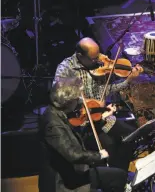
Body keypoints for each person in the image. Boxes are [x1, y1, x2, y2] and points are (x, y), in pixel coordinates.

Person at [54, 37, 142, 172]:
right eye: (94, 59)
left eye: (98, 56)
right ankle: (109, 178)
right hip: (82, 121)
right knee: (110, 144)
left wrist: (128, 81)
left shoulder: (100, 64)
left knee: (132, 135)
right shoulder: (66, 68)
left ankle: (120, 175)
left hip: (103, 116)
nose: (99, 61)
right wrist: (87, 102)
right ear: (80, 56)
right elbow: (59, 96)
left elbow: (108, 89)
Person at [39, 77, 127, 192]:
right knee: (119, 176)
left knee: (117, 174)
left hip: (73, 171)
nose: (79, 101)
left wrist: (102, 114)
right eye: (76, 99)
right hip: (64, 181)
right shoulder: (52, 124)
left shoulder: (56, 112)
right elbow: (73, 155)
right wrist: (99, 155)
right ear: (68, 101)